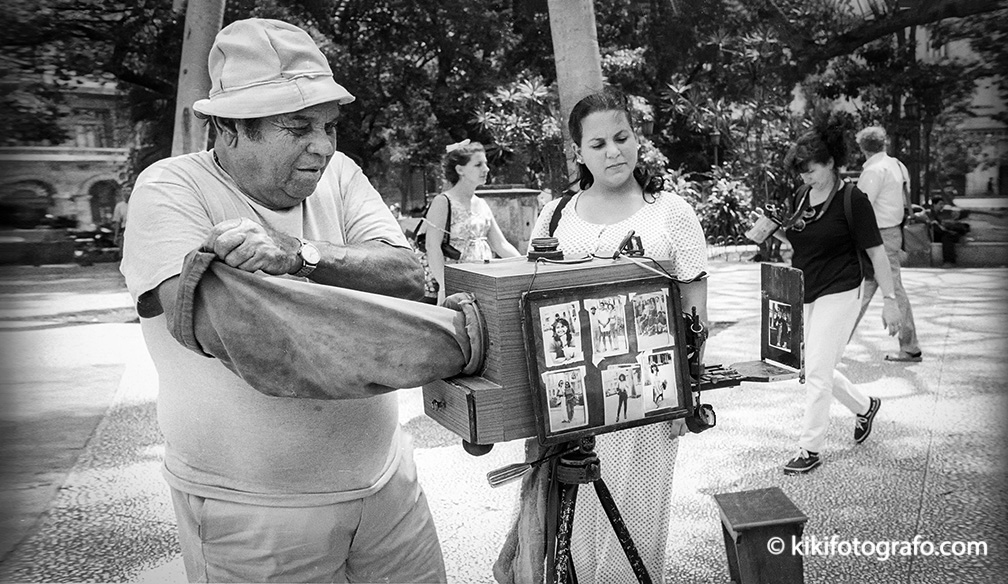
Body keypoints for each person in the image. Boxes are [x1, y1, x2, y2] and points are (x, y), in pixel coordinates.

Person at [119, 19, 446, 583]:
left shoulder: (340, 174)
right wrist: (433, 344)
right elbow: (228, 329)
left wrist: (298, 256)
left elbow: (413, 278)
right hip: (251, 512)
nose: (322, 146)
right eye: (298, 127)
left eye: (328, 127)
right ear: (227, 128)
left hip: (389, 484)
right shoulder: (169, 188)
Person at [495, 87, 709, 584]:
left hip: (647, 397)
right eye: (598, 144)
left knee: (636, 517)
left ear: (637, 139)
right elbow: (531, 300)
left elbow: (695, 307)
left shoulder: (671, 212)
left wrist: (686, 393)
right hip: (569, 400)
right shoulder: (554, 215)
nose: (613, 152)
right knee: (570, 525)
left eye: (622, 137)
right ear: (578, 152)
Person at [770, 120, 903, 475]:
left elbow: (877, 254)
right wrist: (773, 230)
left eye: (810, 171)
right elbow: (800, 240)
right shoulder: (801, 197)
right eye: (801, 173)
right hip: (806, 290)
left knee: (815, 371)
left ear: (830, 163)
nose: (805, 178)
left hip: (841, 290)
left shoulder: (852, 200)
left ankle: (809, 448)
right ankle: (865, 406)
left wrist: (890, 300)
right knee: (815, 368)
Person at [851, 126, 922, 362]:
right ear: (884, 143)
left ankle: (910, 346)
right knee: (865, 290)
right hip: (892, 232)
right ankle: (836, 341)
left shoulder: (873, 170)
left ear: (862, 148)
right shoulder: (897, 166)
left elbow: (861, 207)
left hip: (876, 236)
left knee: (879, 291)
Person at [420, 140, 521, 303]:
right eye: (478, 165)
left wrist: (525, 265)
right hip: (458, 286)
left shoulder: (481, 204)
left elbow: (500, 245)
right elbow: (432, 247)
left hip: (485, 283)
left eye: (485, 164)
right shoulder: (443, 201)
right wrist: (446, 286)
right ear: (460, 170)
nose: (486, 169)